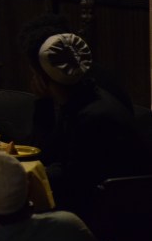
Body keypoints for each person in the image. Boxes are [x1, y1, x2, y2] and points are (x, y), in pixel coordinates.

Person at [20, 30, 152, 221]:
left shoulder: (92, 116)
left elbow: (73, 179)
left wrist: (25, 177)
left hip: (114, 211)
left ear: (41, 79)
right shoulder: (83, 99)